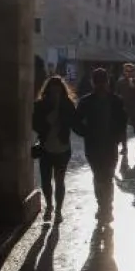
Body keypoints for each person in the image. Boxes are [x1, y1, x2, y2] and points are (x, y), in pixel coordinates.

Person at [73, 67, 126, 226]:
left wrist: (86, 133)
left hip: (103, 145)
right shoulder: (93, 101)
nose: (101, 85)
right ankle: (104, 206)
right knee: (103, 177)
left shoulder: (112, 100)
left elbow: (122, 121)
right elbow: (123, 122)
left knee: (104, 177)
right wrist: (87, 133)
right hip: (99, 145)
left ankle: (105, 207)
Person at [32, 75, 76, 223]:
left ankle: (58, 210)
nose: (56, 93)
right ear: (48, 90)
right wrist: (51, 114)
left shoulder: (68, 104)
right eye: (53, 90)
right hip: (45, 148)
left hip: (63, 148)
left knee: (59, 181)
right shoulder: (40, 105)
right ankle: (49, 205)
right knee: (45, 181)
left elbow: (74, 123)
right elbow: (36, 125)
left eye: (58, 90)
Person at [115, 63, 135, 154]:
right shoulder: (120, 82)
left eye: (131, 71)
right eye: (127, 71)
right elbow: (116, 94)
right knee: (123, 128)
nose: (129, 73)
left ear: (133, 72)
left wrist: (133, 87)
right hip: (123, 107)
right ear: (124, 71)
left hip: (134, 107)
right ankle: (124, 147)